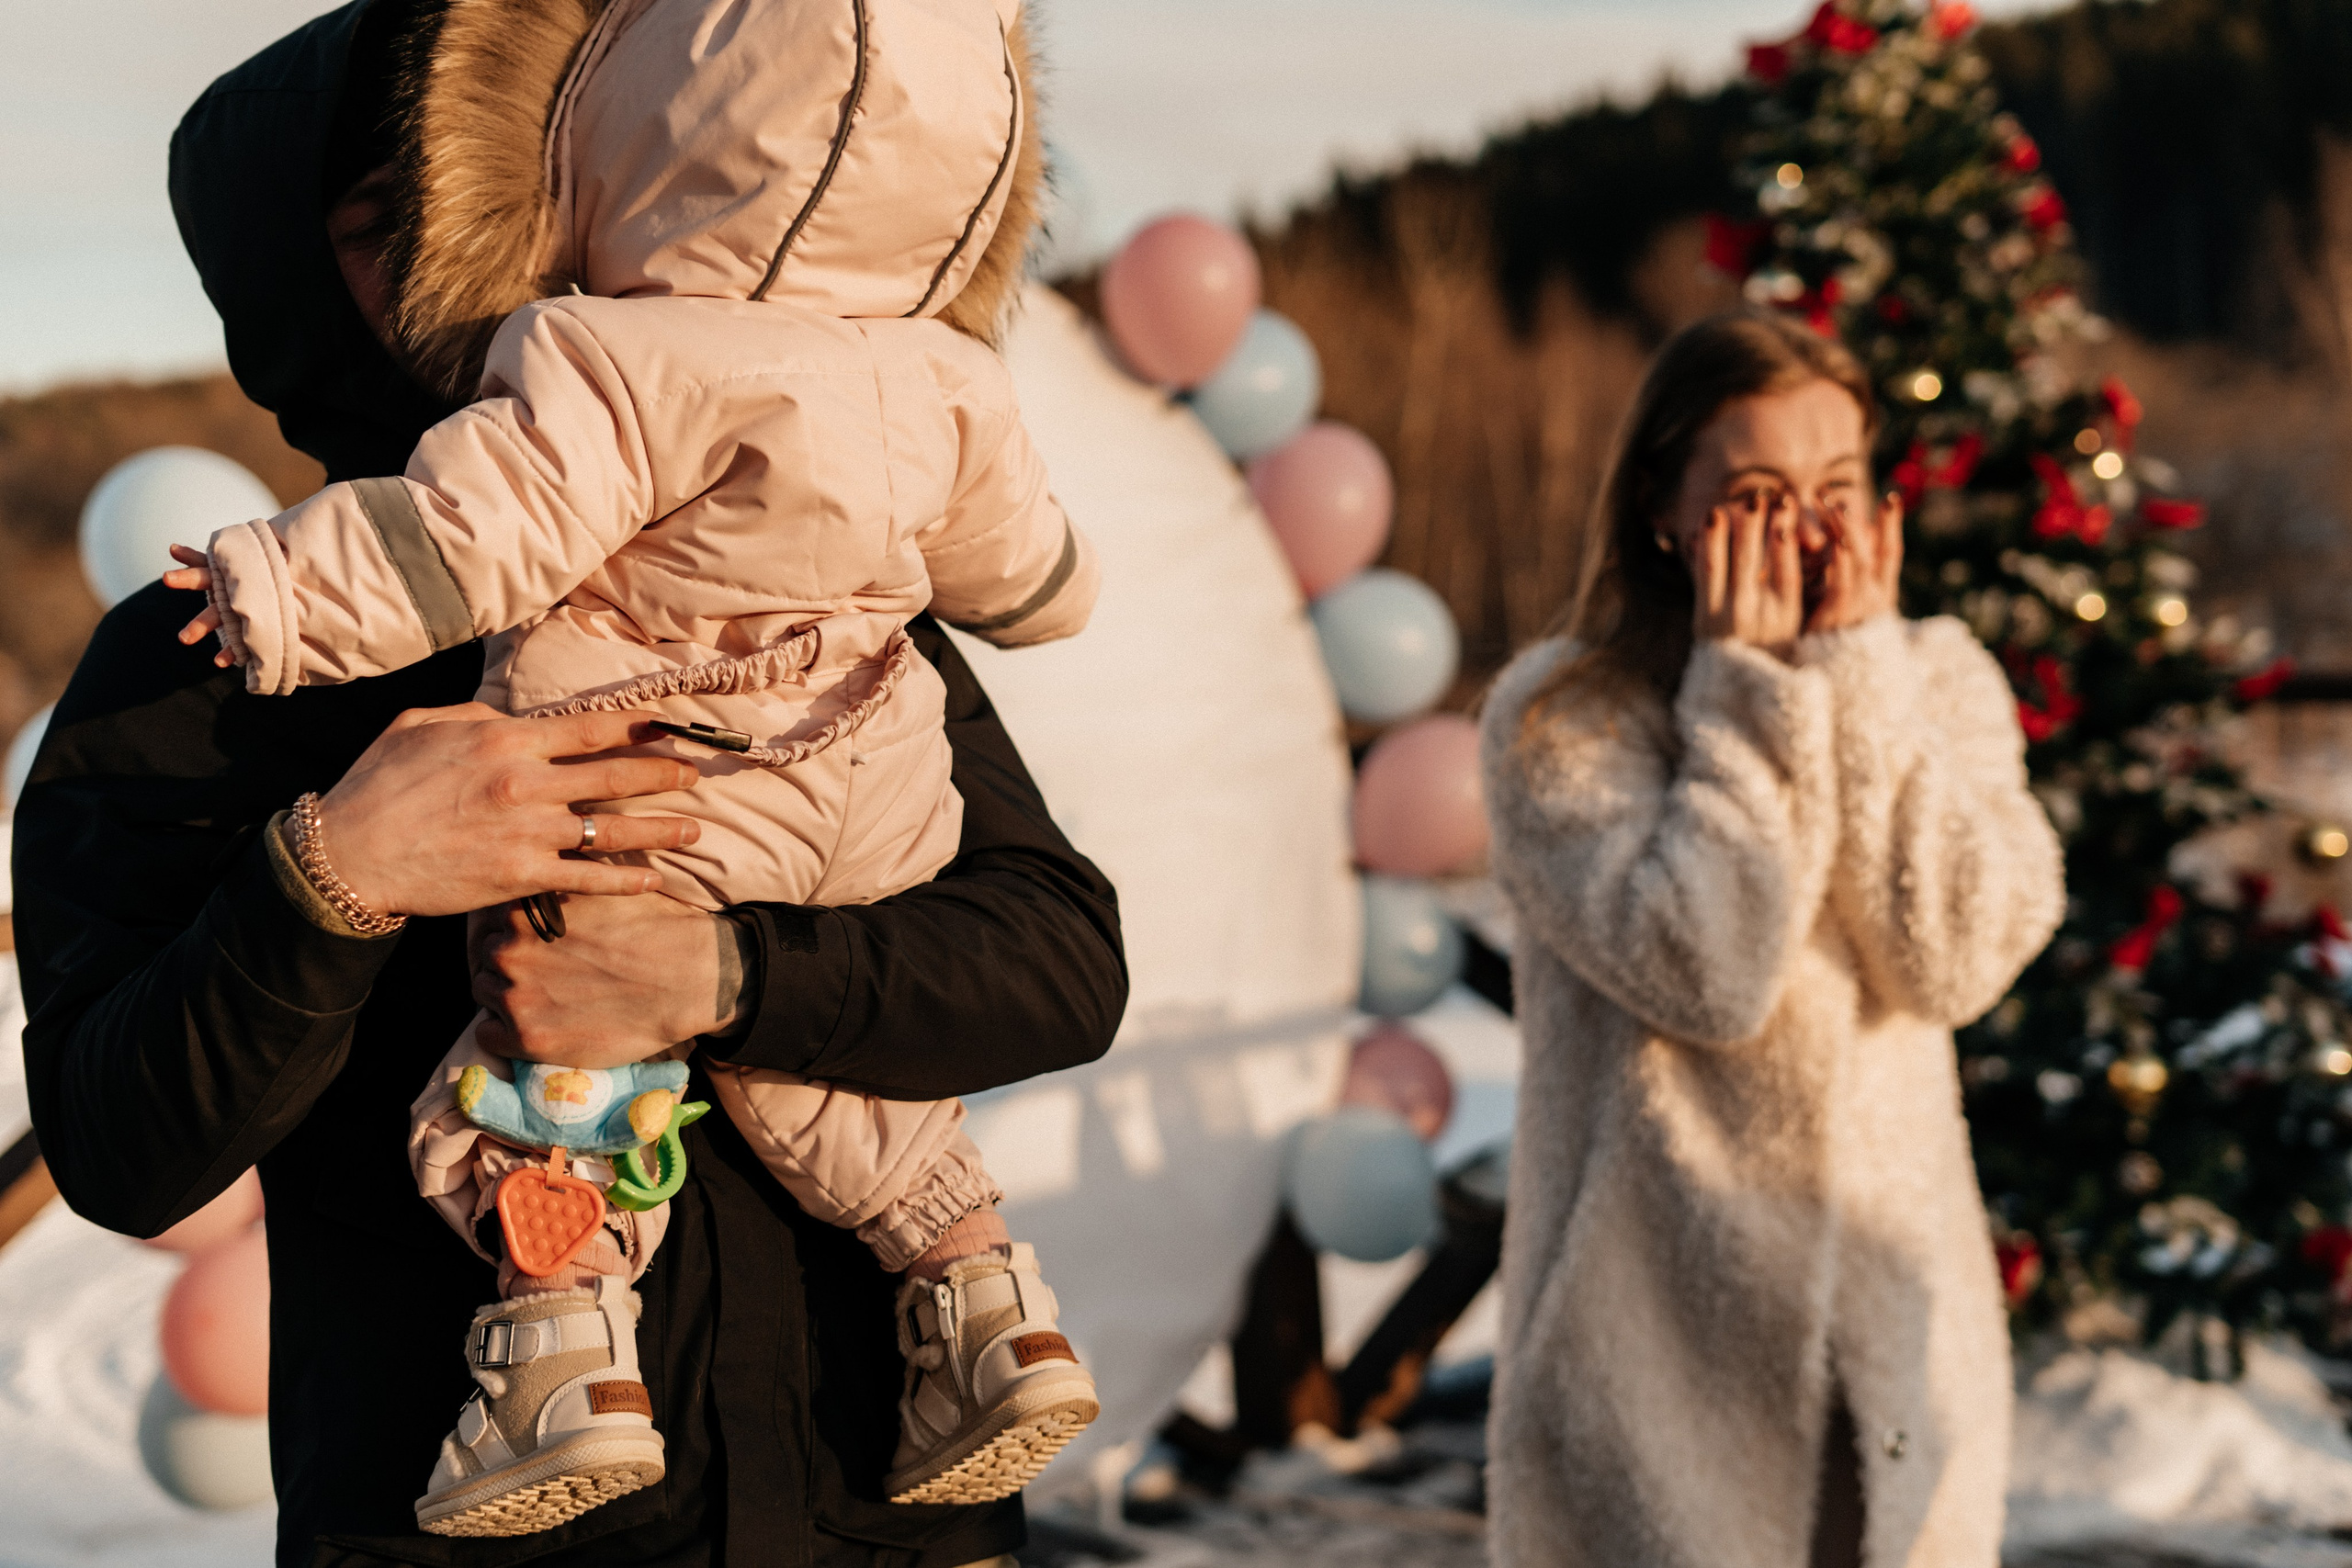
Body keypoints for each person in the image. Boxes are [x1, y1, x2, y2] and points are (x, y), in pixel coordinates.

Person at [14, 0, 1125, 1563]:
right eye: (372, 221)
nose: (457, 249)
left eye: (482, 186)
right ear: (275, 272)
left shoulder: (790, 588)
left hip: (887, 1515)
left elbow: (1062, 965)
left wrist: (728, 971)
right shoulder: (203, 662)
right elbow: (121, 1143)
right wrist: (335, 875)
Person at [1478, 310, 2064, 1568]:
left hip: (1896, 1353)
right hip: (1652, 1365)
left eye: (1839, 489)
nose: (1809, 532)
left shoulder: (1940, 678)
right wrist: (1747, 689)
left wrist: (1859, 680)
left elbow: (1953, 957)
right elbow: (1710, 969)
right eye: (1757, 494)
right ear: (1663, 508)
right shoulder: (1564, 720)